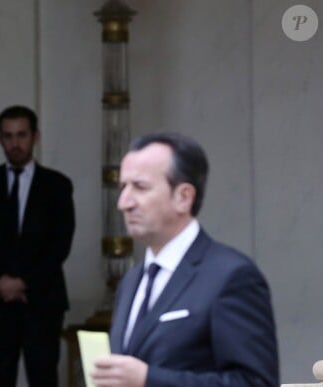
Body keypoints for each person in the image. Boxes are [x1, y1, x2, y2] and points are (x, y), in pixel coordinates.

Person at [91, 132, 279, 387]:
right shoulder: (131, 281)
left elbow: (255, 382)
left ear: (183, 197)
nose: (124, 202)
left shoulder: (231, 276)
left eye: (140, 187)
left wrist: (149, 380)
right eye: (123, 187)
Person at [0, 105, 75, 387]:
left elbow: (60, 244)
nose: (15, 143)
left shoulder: (57, 185)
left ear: (35, 137)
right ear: (0, 139)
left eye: (21, 135)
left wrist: (24, 282)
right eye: (8, 136)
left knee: (43, 377)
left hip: (43, 300)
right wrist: (0, 281)